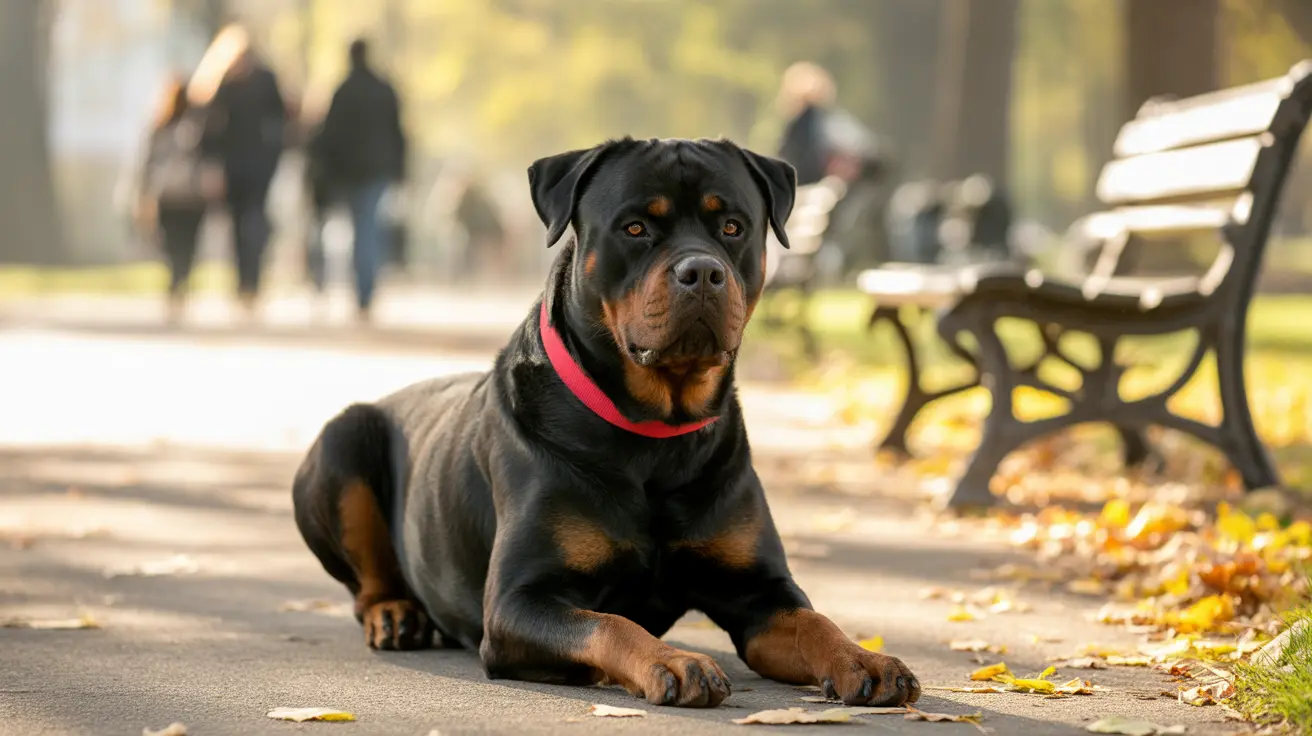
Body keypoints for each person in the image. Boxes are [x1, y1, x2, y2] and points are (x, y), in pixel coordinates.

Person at [316, 38, 408, 322]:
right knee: (367, 228)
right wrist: (401, 170)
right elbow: (398, 132)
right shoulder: (384, 89)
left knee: (359, 229)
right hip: (377, 171)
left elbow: (329, 135)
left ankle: (359, 290)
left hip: (349, 172)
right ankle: (365, 293)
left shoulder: (342, 91)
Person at [199, 26, 287, 319]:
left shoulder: (265, 80)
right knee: (237, 227)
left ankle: (254, 282)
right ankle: (242, 284)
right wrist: (212, 166)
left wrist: (274, 155)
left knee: (255, 225)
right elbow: (209, 131)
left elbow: (281, 120)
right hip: (231, 168)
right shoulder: (222, 83)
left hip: (259, 167)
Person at [136, 75, 220, 324]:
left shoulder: (163, 127)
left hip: (171, 196)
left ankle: (177, 282)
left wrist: (144, 194)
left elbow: (146, 165)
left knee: (175, 244)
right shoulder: (194, 127)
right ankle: (179, 281)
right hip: (189, 196)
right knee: (185, 244)